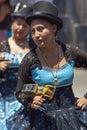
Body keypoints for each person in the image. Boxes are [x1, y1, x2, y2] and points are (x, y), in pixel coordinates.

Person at [16, 1, 87, 130]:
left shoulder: (70, 52)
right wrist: (31, 101)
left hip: (73, 117)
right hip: (42, 120)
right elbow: (20, 91)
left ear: (54, 28)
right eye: (32, 31)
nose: (36, 35)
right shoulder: (30, 60)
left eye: (40, 29)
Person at [0, 2, 33, 130]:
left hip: (27, 96)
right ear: (12, 24)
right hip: (5, 98)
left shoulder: (35, 47)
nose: (20, 28)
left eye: (25, 25)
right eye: (18, 24)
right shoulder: (2, 46)